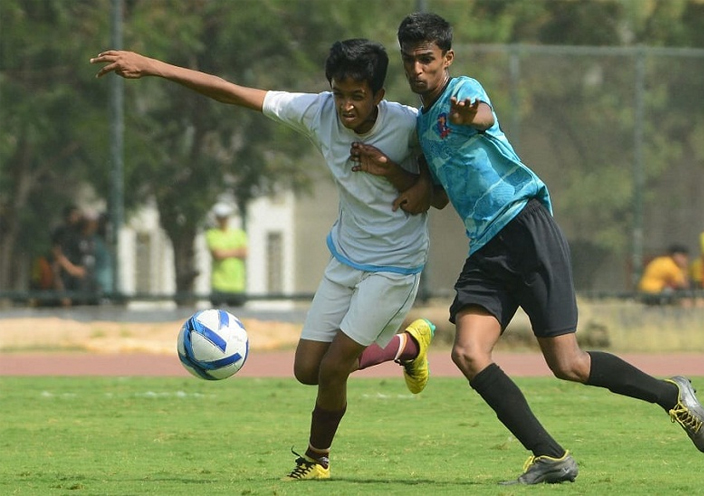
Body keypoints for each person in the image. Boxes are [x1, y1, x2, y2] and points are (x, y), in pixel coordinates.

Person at [91, 38, 436, 481]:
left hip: (395, 263)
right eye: (339, 93)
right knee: (307, 370)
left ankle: (316, 460)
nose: (346, 107)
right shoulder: (315, 112)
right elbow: (229, 90)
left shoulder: (411, 126)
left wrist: (389, 169)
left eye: (357, 96)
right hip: (346, 256)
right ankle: (410, 344)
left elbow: (436, 196)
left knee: (334, 368)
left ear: (378, 96)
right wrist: (153, 66)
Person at [394, 12, 704, 485]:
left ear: (447, 59)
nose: (418, 69)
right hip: (487, 248)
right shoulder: (422, 128)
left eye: (427, 59)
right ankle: (550, 456)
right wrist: (385, 168)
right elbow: (437, 195)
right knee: (466, 353)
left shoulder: (465, 90)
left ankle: (672, 396)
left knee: (569, 364)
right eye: (409, 60)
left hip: (526, 229)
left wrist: (469, 116)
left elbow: (480, 115)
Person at [205, 202, 248, 308]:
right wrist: (236, 252)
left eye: (225, 217)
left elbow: (244, 252)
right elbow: (217, 254)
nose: (223, 220)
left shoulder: (239, 234)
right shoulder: (212, 234)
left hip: (237, 285)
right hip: (219, 284)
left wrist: (225, 252)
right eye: (220, 217)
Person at [50, 204, 88, 306]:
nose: (76, 217)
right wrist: (69, 267)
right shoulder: (61, 231)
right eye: (73, 214)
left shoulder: (81, 233)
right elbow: (56, 254)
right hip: (64, 273)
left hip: (78, 275)